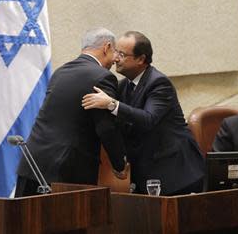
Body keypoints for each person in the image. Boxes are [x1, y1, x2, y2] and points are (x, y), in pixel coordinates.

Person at [82, 31, 205, 195]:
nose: (116, 58)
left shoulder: (159, 83)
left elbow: (148, 119)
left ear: (141, 59)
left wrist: (111, 104)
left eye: (122, 54)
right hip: (146, 172)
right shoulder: (122, 86)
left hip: (176, 173)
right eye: (116, 52)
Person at [15, 28, 128, 197]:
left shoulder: (61, 72)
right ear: (107, 47)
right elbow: (106, 127)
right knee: (65, 223)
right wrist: (119, 164)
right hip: (66, 173)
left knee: (24, 221)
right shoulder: (102, 77)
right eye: (115, 52)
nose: (115, 60)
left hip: (33, 164)